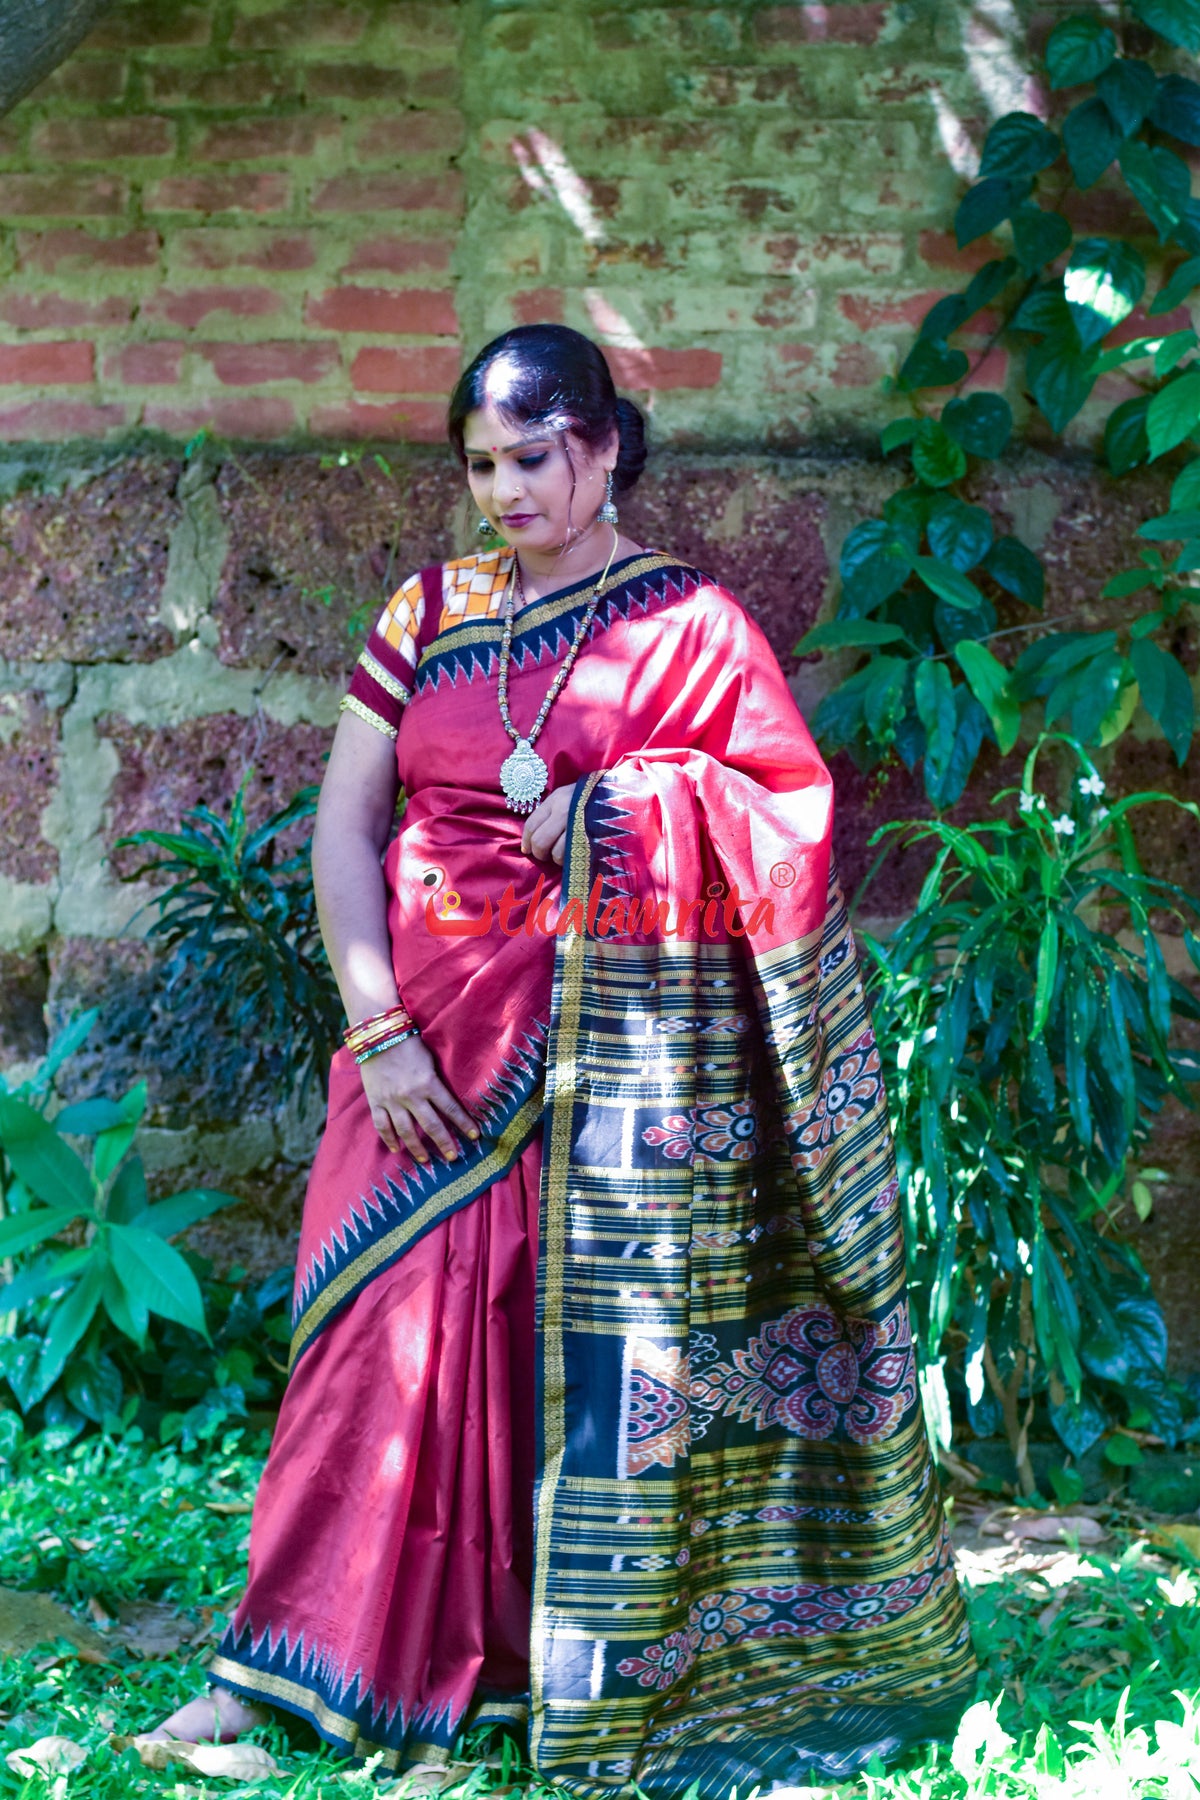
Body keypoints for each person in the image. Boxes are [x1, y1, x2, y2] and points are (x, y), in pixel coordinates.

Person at [150, 323, 976, 1792]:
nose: (506, 491)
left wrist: (625, 815)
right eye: (481, 465)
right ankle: (282, 1664)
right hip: (415, 1046)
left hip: (605, 1059)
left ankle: (536, 1675)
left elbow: (786, 822)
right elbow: (346, 828)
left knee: (555, 1352)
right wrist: (377, 1025)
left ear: (602, 445)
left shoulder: (691, 629)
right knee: (362, 1348)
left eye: (533, 458)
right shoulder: (428, 612)